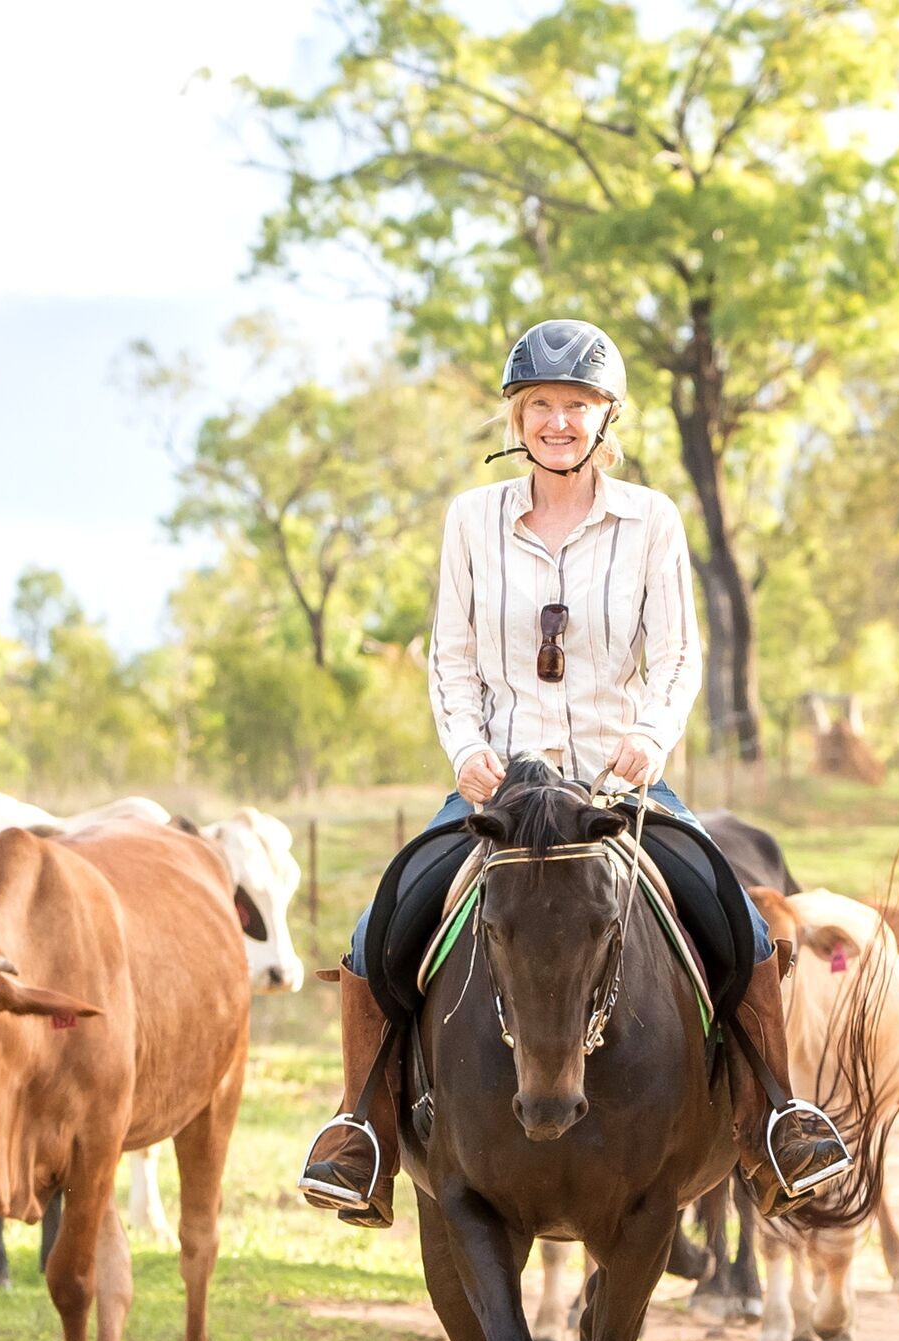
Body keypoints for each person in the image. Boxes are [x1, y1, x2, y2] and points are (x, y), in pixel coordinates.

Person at [296, 318, 857, 1225]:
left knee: (741, 932)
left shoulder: (652, 520)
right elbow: (451, 658)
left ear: (607, 417)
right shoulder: (470, 521)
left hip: (618, 783)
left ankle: (775, 1121)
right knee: (375, 933)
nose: (558, 421)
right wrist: (469, 754)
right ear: (516, 417)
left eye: (577, 406)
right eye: (541, 405)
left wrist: (647, 739)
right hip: (500, 788)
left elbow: (677, 657)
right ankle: (362, 1134)